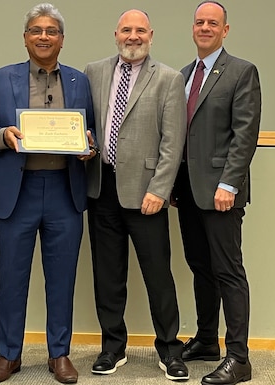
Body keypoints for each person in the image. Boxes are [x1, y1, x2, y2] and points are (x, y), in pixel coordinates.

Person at [0, 3, 96, 384]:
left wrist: (88, 147)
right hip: (16, 192)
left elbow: (88, 133)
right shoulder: (1, 78)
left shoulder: (79, 81)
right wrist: (1, 136)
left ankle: (60, 354)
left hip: (64, 190)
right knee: (11, 277)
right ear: (25, 38)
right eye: (36, 30)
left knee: (62, 278)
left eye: (52, 31)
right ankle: (8, 355)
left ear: (62, 40)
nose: (44, 36)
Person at [84, 9, 189, 382]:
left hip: (146, 193)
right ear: (115, 34)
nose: (133, 36)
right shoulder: (93, 72)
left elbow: (173, 142)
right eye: (126, 30)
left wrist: (160, 189)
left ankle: (170, 350)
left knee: (158, 274)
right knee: (107, 275)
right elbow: (86, 126)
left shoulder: (169, 79)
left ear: (151, 35)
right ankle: (112, 347)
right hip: (100, 187)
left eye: (140, 30)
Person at [172, 2, 261, 384]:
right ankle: (207, 340)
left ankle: (238, 357)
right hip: (188, 192)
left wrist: (228, 183)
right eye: (200, 22)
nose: (205, 27)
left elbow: (245, 134)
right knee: (200, 267)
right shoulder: (184, 74)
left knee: (228, 271)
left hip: (221, 192)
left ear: (225, 30)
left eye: (213, 23)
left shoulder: (241, 72)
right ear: (193, 28)